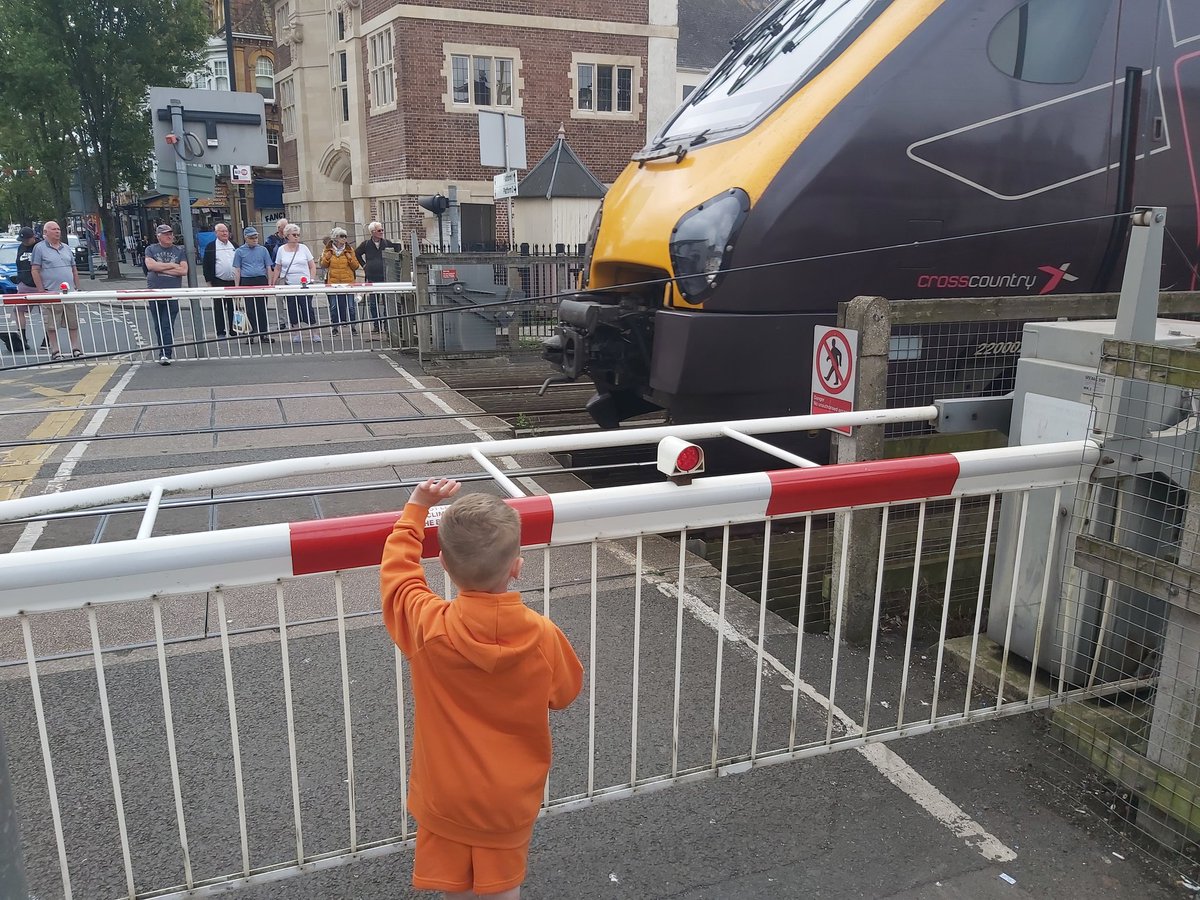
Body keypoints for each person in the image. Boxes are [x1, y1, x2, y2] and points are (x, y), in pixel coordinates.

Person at [381, 479, 583, 900]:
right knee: (503, 888)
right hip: (509, 798)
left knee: (455, 888)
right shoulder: (542, 636)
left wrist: (416, 508)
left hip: (447, 794)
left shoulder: (429, 628)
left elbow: (398, 578)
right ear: (516, 567)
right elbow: (564, 693)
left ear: (443, 563)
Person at [30, 220, 82, 360]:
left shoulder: (66, 248)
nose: (57, 231)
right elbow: (35, 270)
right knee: (51, 324)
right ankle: (55, 350)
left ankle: (75, 348)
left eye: (58, 229)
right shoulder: (39, 248)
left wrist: (77, 288)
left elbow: (74, 269)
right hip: (50, 292)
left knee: (73, 322)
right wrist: (41, 291)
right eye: (53, 229)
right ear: (45, 232)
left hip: (69, 293)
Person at [143, 223, 188, 365]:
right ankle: (162, 351)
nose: (170, 236)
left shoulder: (179, 250)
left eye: (171, 234)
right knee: (158, 325)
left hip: (171, 293)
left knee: (167, 324)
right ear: (159, 236)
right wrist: (173, 265)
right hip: (154, 292)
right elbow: (150, 266)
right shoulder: (151, 249)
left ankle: (166, 354)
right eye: (166, 234)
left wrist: (160, 268)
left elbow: (183, 271)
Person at [270, 223, 319, 344]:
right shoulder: (281, 250)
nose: (297, 237)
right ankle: (296, 332)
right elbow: (277, 268)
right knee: (292, 308)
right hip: (289, 283)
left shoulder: (304, 248)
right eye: (294, 235)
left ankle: (314, 332)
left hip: (304, 284)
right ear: (287, 236)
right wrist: (274, 282)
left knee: (307, 308)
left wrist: (311, 279)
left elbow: (312, 266)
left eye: (298, 235)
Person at [355, 221, 402, 334]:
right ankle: (376, 324)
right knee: (373, 302)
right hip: (372, 276)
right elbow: (357, 253)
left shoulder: (387, 243)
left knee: (386, 301)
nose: (381, 232)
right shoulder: (366, 244)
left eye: (382, 230)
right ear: (373, 232)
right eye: (379, 230)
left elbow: (397, 254)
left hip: (385, 275)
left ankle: (386, 324)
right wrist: (364, 265)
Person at [232, 227, 275, 344]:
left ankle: (263, 334)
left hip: (261, 279)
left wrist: (269, 284)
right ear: (246, 238)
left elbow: (268, 267)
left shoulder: (263, 250)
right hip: (247, 280)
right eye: (252, 238)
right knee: (249, 309)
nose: (255, 239)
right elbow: (237, 269)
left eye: (256, 237)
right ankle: (250, 334)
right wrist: (237, 287)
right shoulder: (239, 251)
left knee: (262, 308)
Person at [319, 227, 361, 335]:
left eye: (345, 236)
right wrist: (327, 257)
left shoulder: (349, 250)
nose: (344, 238)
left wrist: (350, 258)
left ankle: (353, 327)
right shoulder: (328, 250)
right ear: (335, 238)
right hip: (333, 282)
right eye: (342, 236)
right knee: (334, 306)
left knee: (351, 306)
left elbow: (356, 266)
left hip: (348, 281)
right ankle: (335, 327)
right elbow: (323, 265)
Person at [202, 222, 239, 339]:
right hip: (218, 281)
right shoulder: (211, 246)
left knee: (234, 307)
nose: (224, 233)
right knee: (219, 307)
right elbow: (206, 265)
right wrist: (209, 282)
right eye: (222, 231)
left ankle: (234, 330)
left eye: (226, 231)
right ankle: (220, 332)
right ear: (216, 233)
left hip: (233, 282)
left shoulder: (234, 245)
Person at [9, 227, 41, 352]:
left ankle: (47, 339)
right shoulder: (21, 247)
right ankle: (22, 337)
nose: (24, 242)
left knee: (46, 312)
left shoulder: (40, 246)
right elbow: (19, 264)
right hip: (24, 283)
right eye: (22, 240)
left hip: (40, 284)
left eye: (26, 240)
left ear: (33, 237)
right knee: (18, 310)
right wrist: (20, 279)